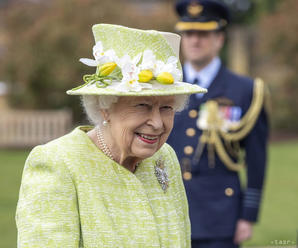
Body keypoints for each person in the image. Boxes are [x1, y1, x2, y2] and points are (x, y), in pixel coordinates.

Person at [15, 24, 207, 247]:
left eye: (167, 108)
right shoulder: (58, 163)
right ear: (105, 107)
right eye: (143, 105)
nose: (156, 123)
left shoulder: (166, 157)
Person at [167, 1, 269, 247]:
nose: (194, 40)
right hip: (169, 212)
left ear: (219, 39)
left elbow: (256, 158)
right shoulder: (165, 86)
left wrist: (248, 215)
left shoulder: (245, 90)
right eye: (188, 33)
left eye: (203, 33)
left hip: (221, 217)